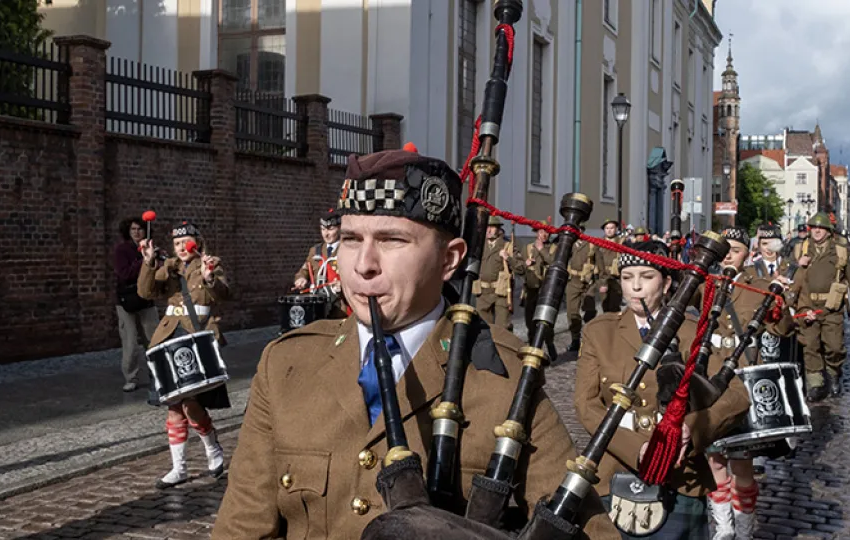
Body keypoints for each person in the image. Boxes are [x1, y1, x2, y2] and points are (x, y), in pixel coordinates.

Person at [212, 147, 616, 539]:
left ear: (449, 259)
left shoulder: (507, 376)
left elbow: (586, 530)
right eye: (351, 239)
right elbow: (242, 528)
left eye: (392, 240)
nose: (363, 265)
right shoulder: (286, 365)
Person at [575, 240, 750, 540]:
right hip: (614, 470)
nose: (636, 288)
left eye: (647, 277)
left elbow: (737, 397)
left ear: (667, 282)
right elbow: (586, 404)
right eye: (627, 278)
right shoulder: (599, 332)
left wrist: (691, 431)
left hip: (681, 478)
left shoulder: (694, 332)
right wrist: (637, 449)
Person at [703, 227, 799, 540]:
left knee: (741, 465)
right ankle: (724, 527)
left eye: (736, 249)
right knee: (715, 460)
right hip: (710, 380)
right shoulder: (705, 283)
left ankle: (744, 527)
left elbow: (784, 330)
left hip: (743, 381)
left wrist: (780, 304)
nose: (728, 254)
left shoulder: (759, 285)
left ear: (748, 253)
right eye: (724, 248)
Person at [138, 221, 230, 489]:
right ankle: (178, 468)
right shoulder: (168, 268)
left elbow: (225, 294)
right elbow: (146, 292)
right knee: (174, 406)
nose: (181, 248)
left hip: (198, 338)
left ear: (197, 243)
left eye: (185, 243)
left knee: (190, 404)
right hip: (169, 338)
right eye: (176, 244)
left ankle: (212, 447)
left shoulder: (211, 263)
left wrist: (210, 277)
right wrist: (148, 264)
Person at [793, 212, 850, 401]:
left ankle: (834, 373)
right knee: (810, 345)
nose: (817, 231)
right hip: (807, 304)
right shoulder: (801, 249)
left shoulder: (840, 251)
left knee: (834, 346)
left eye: (821, 228)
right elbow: (789, 276)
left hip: (832, 307)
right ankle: (816, 383)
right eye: (814, 227)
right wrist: (796, 265)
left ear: (829, 231)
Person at [113, 216, 160, 392]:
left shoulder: (151, 247)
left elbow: (159, 271)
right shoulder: (122, 250)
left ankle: (157, 373)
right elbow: (124, 274)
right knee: (130, 342)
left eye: (139, 229)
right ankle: (131, 377)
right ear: (128, 231)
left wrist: (154, 257)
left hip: (147, 300)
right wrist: (144, 261)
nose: (137, 232)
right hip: (127, 301)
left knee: (154, 339)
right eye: (133, 229)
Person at [293, 208, 348, 318]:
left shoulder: (347, 249)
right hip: (319, 307)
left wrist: (344, 285)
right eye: (323, 229)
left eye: (330, 229)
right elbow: (304, 270)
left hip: (341, 308)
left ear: (339, 228)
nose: (326, 234)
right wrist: (301, 279)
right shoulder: (315, 251)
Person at [474, 216, 524, 330]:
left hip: (501, 293)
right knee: (483, 328)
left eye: (491, 227)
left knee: (503, 329)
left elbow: (521, 269)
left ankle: (504, 348)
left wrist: (508, 258)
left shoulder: (507, 246)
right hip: (483, 293)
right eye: (486, 227)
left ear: (498, 229)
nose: (488, 230)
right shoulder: (479, 245)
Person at [521, 222, 557, 359]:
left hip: (546, 291)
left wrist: (542, 250)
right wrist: (525, 264)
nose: (544, 234)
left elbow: (554, 263)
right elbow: (520, 268)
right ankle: (533, 349)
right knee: (530, 322)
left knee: (545, 320)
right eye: (541, 231)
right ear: (536, 232)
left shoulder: (553, 247)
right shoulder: (528, 248)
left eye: (547, 232)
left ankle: (549, 342)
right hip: (530, 290)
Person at [565, 229, 601, 353]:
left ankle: (589, 337)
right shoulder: (568, 244)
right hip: (573, 282)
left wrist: (601, 282)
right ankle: (575, 339)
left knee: (589, 311)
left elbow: (599, 264)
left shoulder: (591, 244)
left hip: (588, 283)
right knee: (572, 313)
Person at [595, 219, 624, 314]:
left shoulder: (621, 242)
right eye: (607, 228)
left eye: (612, 228)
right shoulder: (599, 243)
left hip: (617, 278)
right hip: (603, 277)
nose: (609, 230)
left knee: (615, 305)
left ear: (616, 229)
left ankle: (615, 326)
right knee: (605, 305)